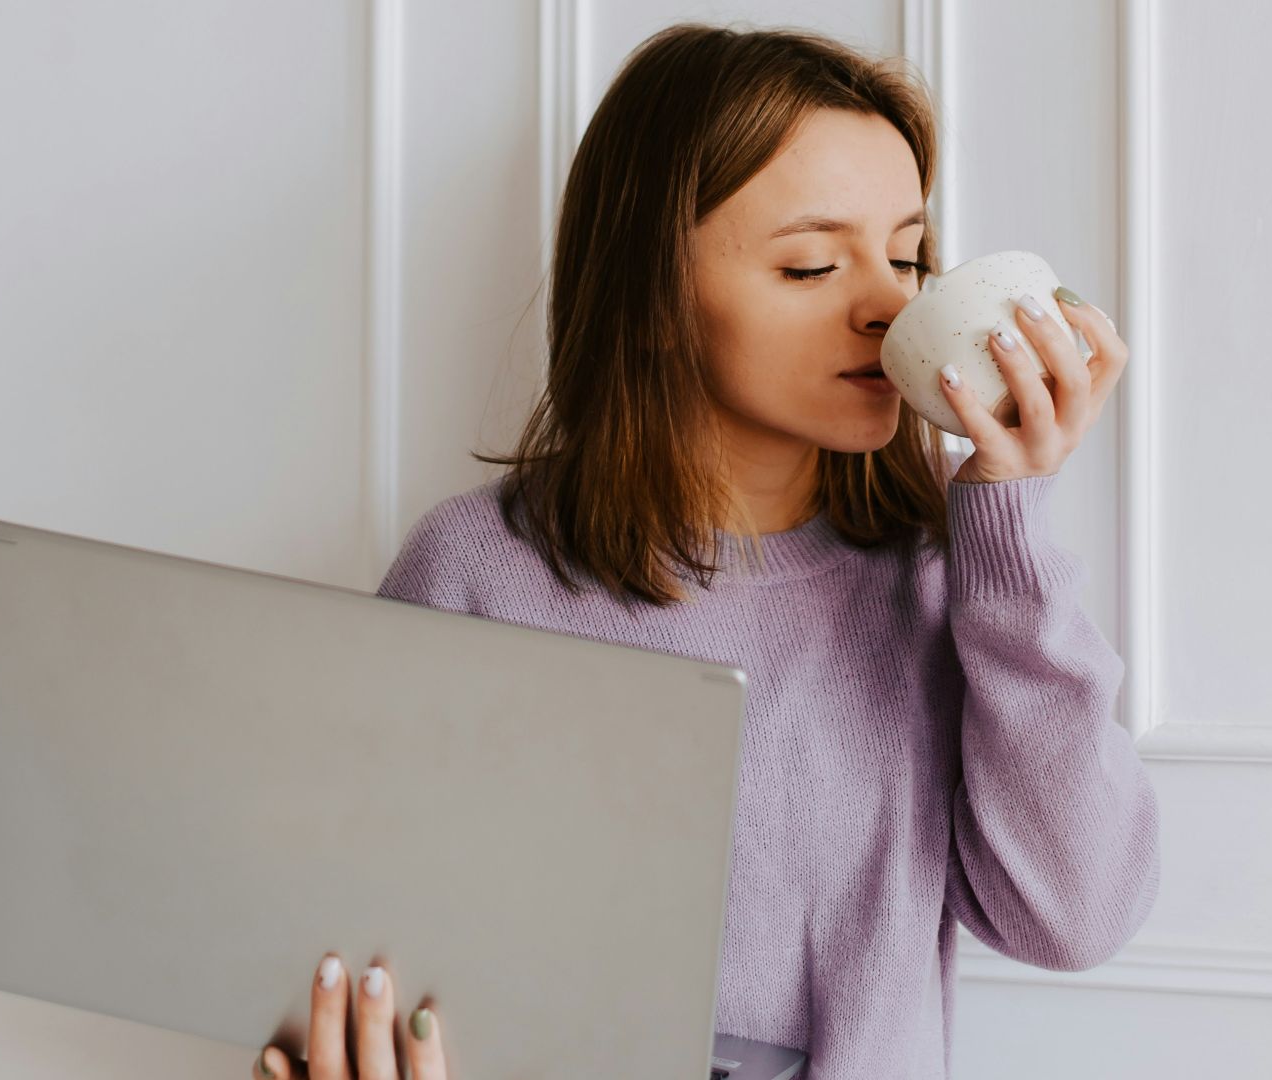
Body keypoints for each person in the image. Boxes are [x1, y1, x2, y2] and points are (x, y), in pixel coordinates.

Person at [254, 20, 1151, 1080]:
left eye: (908, 253)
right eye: (812, 264)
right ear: (655, 295)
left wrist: (1008, 524)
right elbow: (353, 963)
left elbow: (1076, 916)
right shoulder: (475, 572)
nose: (888, 303)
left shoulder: (940, 585)